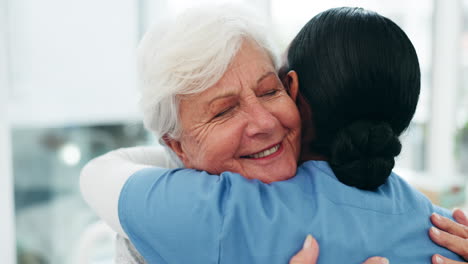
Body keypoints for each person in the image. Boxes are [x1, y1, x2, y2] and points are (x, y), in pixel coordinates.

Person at [80, 6, 468, 264]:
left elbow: (100, 174)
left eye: (270, 90)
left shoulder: (217, 215)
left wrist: (188, 158)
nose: (264, 122)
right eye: (224, 111)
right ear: (176, 143)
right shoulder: (433, 225)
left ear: (296, 92)